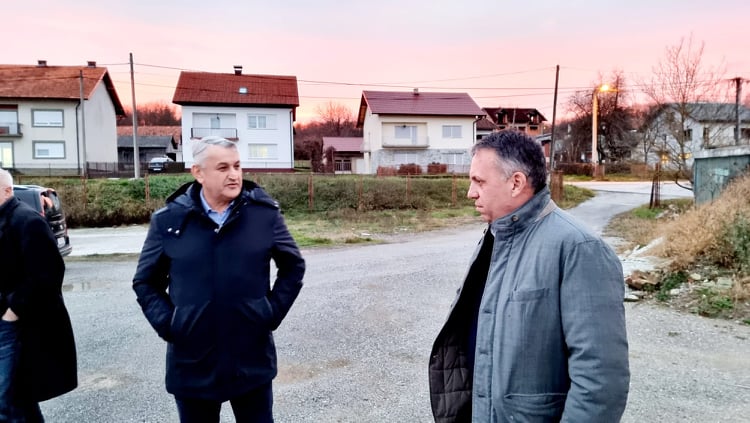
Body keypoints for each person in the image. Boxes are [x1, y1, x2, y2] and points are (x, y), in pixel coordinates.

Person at [428, 131, 630, 422]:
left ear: (516, 183)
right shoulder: (495, 237)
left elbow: (600, 379)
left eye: (479, 182)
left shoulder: (579, 248)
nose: (470, 193)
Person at [133, 136, 305, 423]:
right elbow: (145, 282)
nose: (234, 175)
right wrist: (171, 324)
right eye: (223, 168)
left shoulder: (264, 215)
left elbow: (293, 266)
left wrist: (269, 312)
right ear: (198, 173)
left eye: (237, 166)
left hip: (251, 360)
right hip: (192, 365)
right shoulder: (169, 220)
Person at [0, 168, 77, 422]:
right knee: (18, 399)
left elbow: (48, 273)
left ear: (7, 191)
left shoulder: (26, 220)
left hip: (15, 325)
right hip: (9, 322)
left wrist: (12, 311)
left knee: (7, 400)